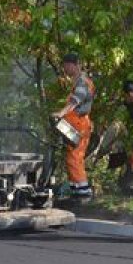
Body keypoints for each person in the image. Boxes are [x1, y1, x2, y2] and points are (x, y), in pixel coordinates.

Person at [54, 54, 95, 198]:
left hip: (80, 124)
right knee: (71, 156)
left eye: (66, 65)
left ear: (74, 65)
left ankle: (83, 191)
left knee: (75, 156)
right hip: (75, 123)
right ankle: (76, 190)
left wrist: (61, 113)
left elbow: (75, 101)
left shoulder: (82, 83)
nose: (64, 69)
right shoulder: (78, 81)